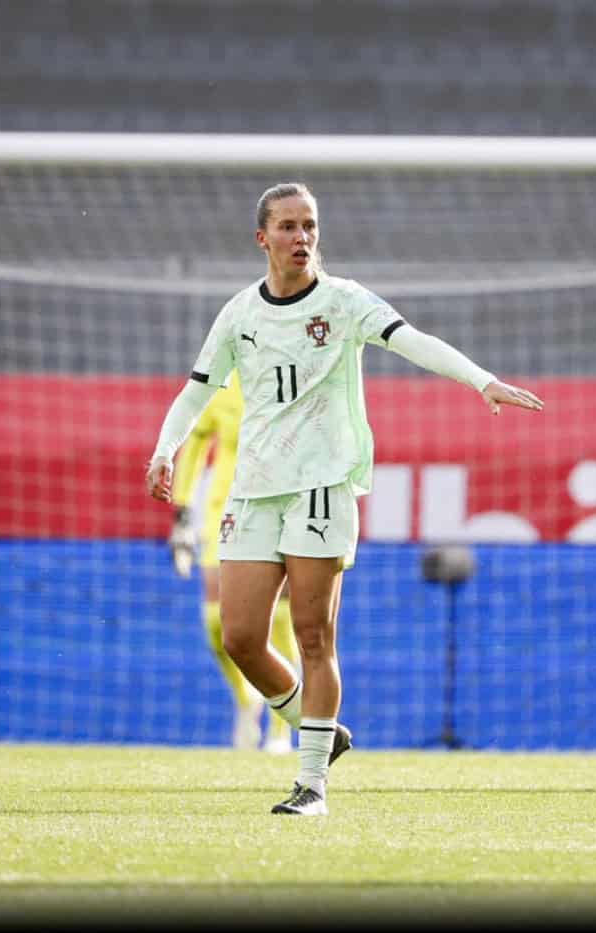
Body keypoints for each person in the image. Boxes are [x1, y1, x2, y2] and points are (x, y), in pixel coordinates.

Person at [146, 182, 544, 816]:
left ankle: (311, 786)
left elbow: (412, 340)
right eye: (287, 227)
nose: (301, 237)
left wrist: (481, 381)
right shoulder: (240, 314)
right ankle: (317, 728)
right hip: (253, 492)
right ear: (262, 238)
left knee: (312, 636)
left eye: (309, 226)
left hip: (320, 488)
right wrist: (165, 450)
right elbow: (196, 391)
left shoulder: (344, 302)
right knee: (240, 635)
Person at [170, 374, 352, 757]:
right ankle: (247, 697)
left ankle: (280, 730)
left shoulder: (297, 374)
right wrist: (182, 509)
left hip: (283, 507)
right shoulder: (225, 383)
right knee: (220, 624)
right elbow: (196, 440)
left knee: (285, 619)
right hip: (226, 511)